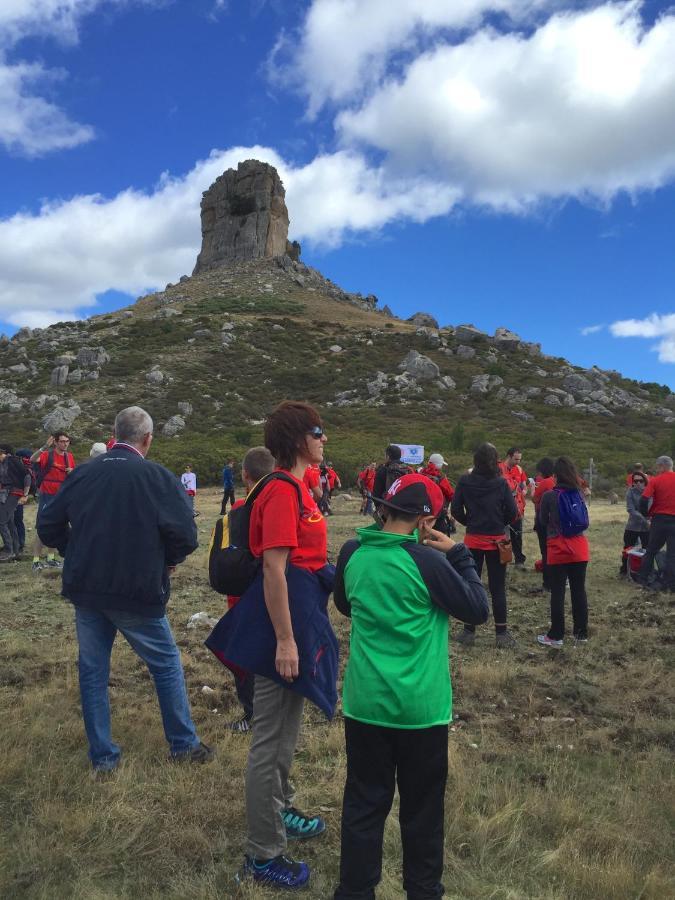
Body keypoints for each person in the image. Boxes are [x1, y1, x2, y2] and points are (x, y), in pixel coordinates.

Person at [332, 474, 489, 900]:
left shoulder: (352, 552)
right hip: (422, 710)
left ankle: (354, 891)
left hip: (365, 705)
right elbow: (477, 609)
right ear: (428, 518)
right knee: (422, 813)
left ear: (383, 508)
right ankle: (422, 892)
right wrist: (459, 554)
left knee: (363, 805)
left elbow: (345, 605)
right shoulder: (429, 563)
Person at [208, 401, 338, 890]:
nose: (325, 439)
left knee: (284, 732)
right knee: (270, 739)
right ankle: (263, 855)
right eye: (318, 431)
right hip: (282, 625)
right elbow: (274, 569)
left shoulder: (299, 487)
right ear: (298, 439)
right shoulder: (282, 490)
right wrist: (285, 641)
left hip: (298, 618)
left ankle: (279, 815)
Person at [37, 406, 211, 772]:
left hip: (87, 590)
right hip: (138, 591)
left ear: (113, 434)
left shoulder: (82, 473)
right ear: (147, 439)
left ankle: (102, 757)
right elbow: (186, 534)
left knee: (93, 671)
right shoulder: (158, 477)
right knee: (165, 665)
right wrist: (168, 560)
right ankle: (183, 745)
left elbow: (48, 523)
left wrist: (74, 551)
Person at [222, 445, 276, 734]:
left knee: (243, 656)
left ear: (244, 475)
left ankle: (252, 714)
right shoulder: (282, 503)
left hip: (243, 596)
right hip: (276, 593)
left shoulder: (241, 508)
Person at [451, 442, 518, 648]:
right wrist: (500, 523)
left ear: (475, 460)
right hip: (497, 541)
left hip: (473, 540)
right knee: (498, 588)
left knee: (471, 585)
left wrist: (469, 523)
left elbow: (455, 510)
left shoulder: (464, 481)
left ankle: (469, 631)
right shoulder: (501, 483)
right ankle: (502, 634)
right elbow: (513, 512)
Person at [537, 456, 590, 647]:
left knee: (558, 592)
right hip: (579, 548)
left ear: (555, 475)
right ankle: (581, 633)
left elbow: (542, 521)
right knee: (578, 590)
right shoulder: (580, 494)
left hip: (558, 548)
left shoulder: (550, 496)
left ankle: (556, 635)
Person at [30, 432, 75, 572]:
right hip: (47, 495)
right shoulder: (47, 455)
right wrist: (44, 446)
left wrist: (72, 471)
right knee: (42, 527)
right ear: (55, 442)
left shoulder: (69, 457)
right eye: (62, 441)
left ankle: (51, 558)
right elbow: (32, 459)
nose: (65, 443)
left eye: (67, 441)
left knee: (58, 527)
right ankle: (36, 561)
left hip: (62, 496)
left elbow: (73, 475)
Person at [637, 455, 675, 591]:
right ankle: (671, 584)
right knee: (672, 553)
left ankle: (642, 579)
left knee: (651, 550)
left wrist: (646, 515)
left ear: (662, 466)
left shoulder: (655, 480)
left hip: (659, 520)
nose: (657, 470)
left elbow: (643, 500)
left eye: (658, 467)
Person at [0, 445, 31, 561]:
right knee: (9, 522)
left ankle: (9, 550)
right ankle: (15, 550)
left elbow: (27, 475)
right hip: (5, 493)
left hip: (14, 493)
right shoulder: (3, 463)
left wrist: (25, 494)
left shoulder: (13, 461)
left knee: (2, 521)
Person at [499, 447, 528, 565]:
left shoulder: (519, 469)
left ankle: (519, 560)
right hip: (504, 510)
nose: (518, 462)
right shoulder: (499, 469)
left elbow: (524, 485)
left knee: (517, 535)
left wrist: (524, 490)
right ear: (509, 456)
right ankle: (504, 560)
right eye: (516, 459)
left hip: (518, 510)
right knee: (504, 537)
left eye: (520, 459)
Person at [620, 472, 650, 576]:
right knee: (628, 548)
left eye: (640, 481)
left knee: (647, 549)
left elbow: (651, 508)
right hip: (633, 525)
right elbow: (630, 509)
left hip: (647, 527)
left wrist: (649, 519)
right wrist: (644, 518)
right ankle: (624, 570)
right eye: (635, 481)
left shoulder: (650, 491)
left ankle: (645, 572)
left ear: (645, 481)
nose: (638, 483)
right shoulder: (630, 492)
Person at [532, 458, 556, 592]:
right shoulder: (555, 481)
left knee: (545, 551)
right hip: (555, 521)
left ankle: (547, 583)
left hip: (543, 519)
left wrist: (531, 490)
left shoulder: (544, 482)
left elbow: (535, 499)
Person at [420, 452, 455, 535]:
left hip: (421, 511)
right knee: (441, 535)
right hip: (438, 513)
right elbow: (451, 495)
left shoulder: (421, 473)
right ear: (439, 465)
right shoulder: (441, 478)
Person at [13, 448, 35, 555]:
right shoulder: (28, 467)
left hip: (16, 496)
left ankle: (18, 545)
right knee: (18, 521)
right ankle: (19, 544)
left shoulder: (19, 467)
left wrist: (25, 495)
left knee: (14, 521)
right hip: (19, 496)